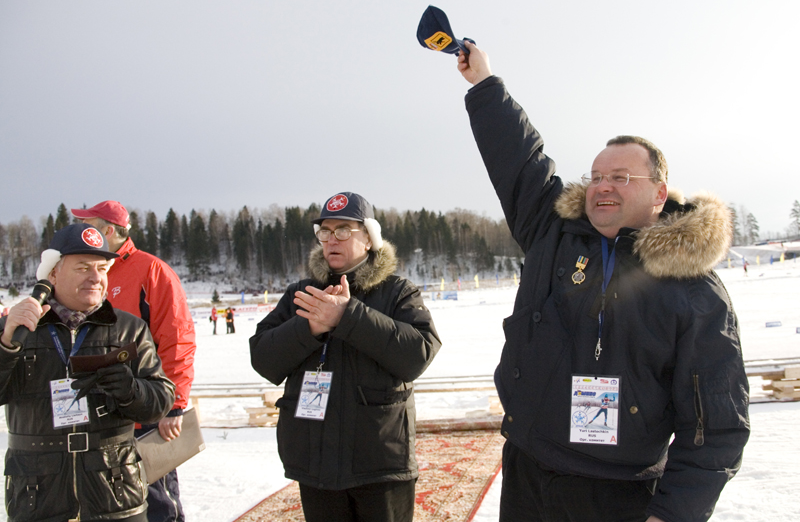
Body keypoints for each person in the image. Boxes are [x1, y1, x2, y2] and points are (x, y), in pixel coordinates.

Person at [454, 42, 750, 522]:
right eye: (594, 176)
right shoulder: (553, 234)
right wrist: (486, 86)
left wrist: (674, 513)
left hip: (618, 492)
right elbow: (520, 160)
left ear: (658, 193)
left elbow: (716, 424)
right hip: (529, 470)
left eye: (620, 176)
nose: (602, 186)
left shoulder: (694, 289)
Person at [249, 191, 441, 522]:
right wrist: (309, 329)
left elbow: (417, 354)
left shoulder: (398, 292)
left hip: (380, 464)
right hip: (316, 461)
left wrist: (348, 317)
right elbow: (263, 358)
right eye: (325, 231)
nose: (331, 239)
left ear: (368, 238)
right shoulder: (301, 294)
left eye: (343, 230)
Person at [0, 223, 175, 522]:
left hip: (116, 492)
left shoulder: (130, 328)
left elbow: (161, 401)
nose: (96, 278)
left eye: (102, 268)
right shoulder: (19, 328)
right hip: (37, 496)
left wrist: (132, 390)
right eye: (82, 268)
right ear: (53, 273)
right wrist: (5, 343)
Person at [72, 201, 196, 522]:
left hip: (146, 413)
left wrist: (174, 405)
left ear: (109, 230)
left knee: (157, 504)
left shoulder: (151, 271)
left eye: (90, 225)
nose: (84, 232)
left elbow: (177, 339)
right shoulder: (92, 273)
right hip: (101, 418)